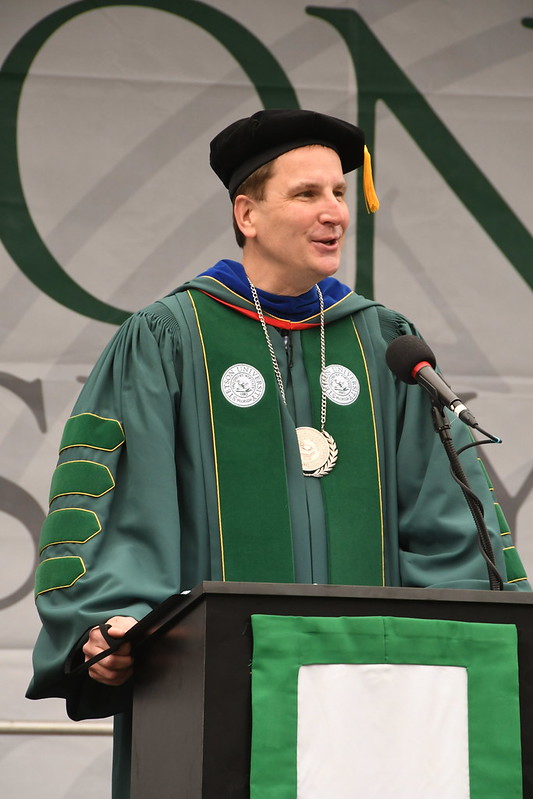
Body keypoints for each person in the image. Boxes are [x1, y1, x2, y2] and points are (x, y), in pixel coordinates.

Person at [27, 109, 529, 797]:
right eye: (307, 194)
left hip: (376, 711)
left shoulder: (386, 344)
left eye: (339, 193)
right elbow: (112, 505)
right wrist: (110, 626)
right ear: (247, 212)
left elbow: (447, 530)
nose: (334, 213)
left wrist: (478, 623)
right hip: (209, 696)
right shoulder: (168, 338)